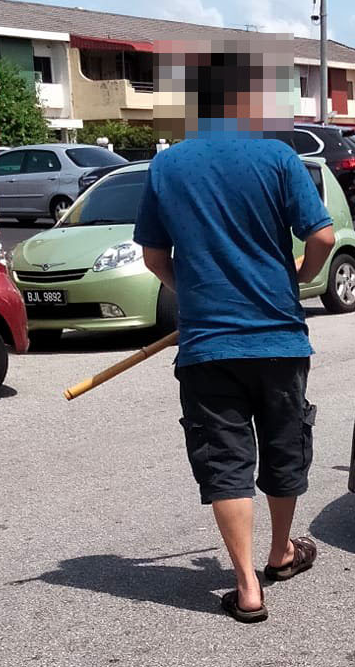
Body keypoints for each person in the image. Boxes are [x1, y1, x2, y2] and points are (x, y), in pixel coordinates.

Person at [134, 51, 336, 623]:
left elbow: (153, 257)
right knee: (283, 444)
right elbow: (320, 237)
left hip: (207, 344)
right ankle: (281, 552)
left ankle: (247, 585)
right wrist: (296, 278)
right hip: (278, 335)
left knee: (225, 459)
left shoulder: (167, 167)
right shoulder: (277, 157)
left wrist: (192, 294)